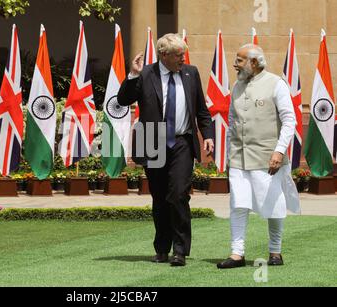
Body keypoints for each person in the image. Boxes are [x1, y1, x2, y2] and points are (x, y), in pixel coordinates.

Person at [117, 33, 214, 267]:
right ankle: (162, 248)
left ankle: (180, 250)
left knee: (179, 194)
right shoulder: (146, 73)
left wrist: (208, 135)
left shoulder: (191, 73)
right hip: (153, 140)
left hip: (181, 142)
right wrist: (132, 76)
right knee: (160, 198)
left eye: (184, 54)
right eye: (178, 55)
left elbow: (202, 110)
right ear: (164, 55)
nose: (183, 58)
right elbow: (123, 99)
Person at [217, 44, 301, 269]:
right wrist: (228, 156)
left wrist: (279, 151)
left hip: (268, 158)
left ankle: (275, 251)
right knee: (238, 204)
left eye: (240, 60)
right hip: (238, 157)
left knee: (273, 204)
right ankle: (237, 253)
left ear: (254, 62)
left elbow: (289, 120)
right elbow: (232, 122)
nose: (235, 63)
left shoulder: (276, 84)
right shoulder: (236, 86)